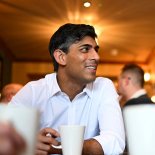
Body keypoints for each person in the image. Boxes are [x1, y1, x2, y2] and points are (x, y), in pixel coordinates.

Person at [9, 23, 125, 155]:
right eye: (85, 49)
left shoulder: (104, 87)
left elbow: (115, 141)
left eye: (96, 50)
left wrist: (59, 147)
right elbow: (4, 136)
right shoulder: (33, 91)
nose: (96, 57)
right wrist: (28, 143)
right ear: (61, 57)